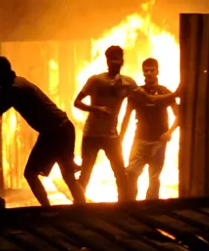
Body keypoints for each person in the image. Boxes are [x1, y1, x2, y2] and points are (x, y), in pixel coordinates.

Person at [0, 56, 86, 207]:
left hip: (55, 132)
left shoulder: (15, 89)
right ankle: (80, 208)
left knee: (31, 174)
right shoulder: (16, 84)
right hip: (61, 129)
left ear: (1, 72)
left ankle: (49, 209)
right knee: (67, 175)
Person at [74, 45, 179, 200]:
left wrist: (174, 96)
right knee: (88, 175)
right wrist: (96, 109)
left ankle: (127, 206)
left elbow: (150, 99)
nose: (115, 63)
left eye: (118, 59)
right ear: (107, 61)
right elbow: (77, 102)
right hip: (94, 135)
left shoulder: (128, 83)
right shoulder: (96, 80)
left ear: (122, 61)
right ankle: (79, 206)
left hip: (114, 136)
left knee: (126, 176)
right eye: (112, 60)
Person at [119, 58, 179, 201]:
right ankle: (130, 205)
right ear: (143, 72)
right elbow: (126, 117)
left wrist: (169, 132)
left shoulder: (165, 92)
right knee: (131, 174)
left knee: (154, 178)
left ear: (157, 71)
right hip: (140, 140)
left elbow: (179, 116)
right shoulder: (136, 93)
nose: (149, 73)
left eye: (152, 70)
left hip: (159, 142)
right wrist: (120, 138)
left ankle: (150, 207)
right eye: (146, 70)